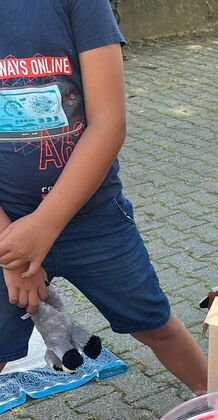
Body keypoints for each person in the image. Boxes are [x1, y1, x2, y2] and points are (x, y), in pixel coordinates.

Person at [0, 0, 207, 393]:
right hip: (5, 230)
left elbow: (108, 124)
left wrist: (44, 225)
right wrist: (10, 252)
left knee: (155, 325)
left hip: (94, 220)